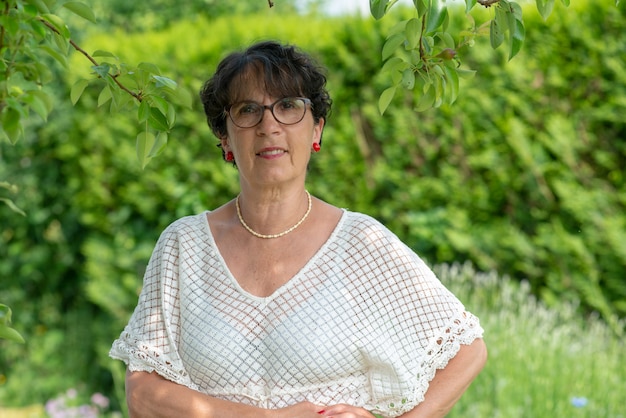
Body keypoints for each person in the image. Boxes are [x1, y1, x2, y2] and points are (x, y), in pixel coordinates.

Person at [110, 40, 487, 418]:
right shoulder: (184, 247)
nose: (268, 125)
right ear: (225, 137)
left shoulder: (361, 245)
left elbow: (467, 351)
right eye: (248, 110)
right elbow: (142, 394)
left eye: (288, 106)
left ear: (316, 130)